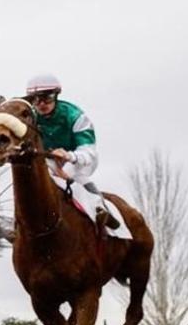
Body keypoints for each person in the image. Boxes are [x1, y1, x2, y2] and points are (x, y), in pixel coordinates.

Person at [24, 74, 118, 227]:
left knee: (71, 173)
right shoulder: (31, 118)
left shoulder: (75, 116)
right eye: (35, 99)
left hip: (80, 160)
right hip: (49, 161)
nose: (41, 104)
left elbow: (89, 152)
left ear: (56, 95)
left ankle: (101, 209)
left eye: (47, 98)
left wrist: (69, 155)